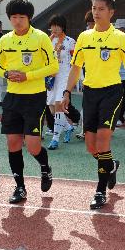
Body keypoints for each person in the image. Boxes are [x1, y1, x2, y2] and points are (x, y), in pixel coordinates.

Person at [60, 0, 125, 209]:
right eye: (94, 8)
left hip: (113, 93)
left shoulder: (120, 38)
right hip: (90, 93)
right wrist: (67, 92)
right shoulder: (84, 37)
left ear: (111, 12)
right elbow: (76, 68)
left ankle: (100, 191)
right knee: (91, 146)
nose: (96, 12)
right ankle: (111, 165)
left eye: (101, 9)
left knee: (103, 140)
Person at [0, 0, 58, 204]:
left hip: (35, 97)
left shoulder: (40, 38)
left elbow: (53, 67)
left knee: (32, 146)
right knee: (13, 143)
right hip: (12, 97)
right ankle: (19, 187)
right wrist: (5, 74)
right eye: (13, 17)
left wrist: (27, 76)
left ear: (29, 17)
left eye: (22, 17)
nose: (18, 21)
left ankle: (45, 167)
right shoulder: (4, 40)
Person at [45, 15, 76, 150]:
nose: (55, 28)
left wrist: (75, 79)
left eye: (57, 25)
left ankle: (55, 139)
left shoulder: (70, 41)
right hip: (51, 77)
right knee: (52, 109)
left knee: (59, 105)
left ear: (62, 27)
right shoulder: (46, 41)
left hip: (64, 75)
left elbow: (76, 62)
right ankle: (68, 127)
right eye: (52, 25)